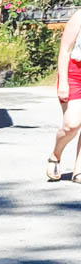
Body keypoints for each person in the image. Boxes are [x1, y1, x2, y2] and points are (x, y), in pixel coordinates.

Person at [49, 10, 81, 181]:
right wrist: (63, 82)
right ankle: (55, 154)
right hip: (75, 74)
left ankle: (78, 169)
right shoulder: (79, 16)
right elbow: (64, 51)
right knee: (71, 124)